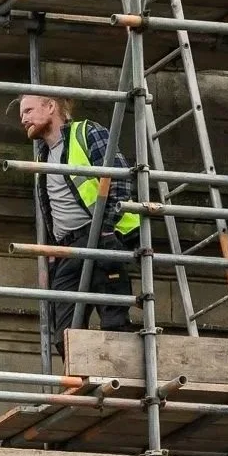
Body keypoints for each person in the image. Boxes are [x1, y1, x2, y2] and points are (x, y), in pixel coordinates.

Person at [18, 95, 140, 356]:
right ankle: (79, 385)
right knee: (65, 332)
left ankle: (117, 376)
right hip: (68, 249)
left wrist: (106, 229)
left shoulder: (88, 133)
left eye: (28, 110)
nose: (23, 119)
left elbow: (119, 181)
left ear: (51, 107)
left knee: (114, 321)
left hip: (100, 237)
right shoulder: (42, 158)